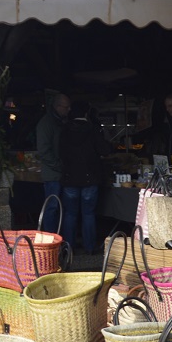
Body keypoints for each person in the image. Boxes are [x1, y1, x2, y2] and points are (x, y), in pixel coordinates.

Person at [58, 101, 112, 254]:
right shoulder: (92, 129)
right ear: (86, 114)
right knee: (88, 214)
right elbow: (104, 149)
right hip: (90, 178)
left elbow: (60, 153)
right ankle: (89, 247)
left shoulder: (65, 130)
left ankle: (69, 246)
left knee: (70, 213)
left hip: (70, 177)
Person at [36, 91, 71, 234]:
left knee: (62, 208)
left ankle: (60, 238)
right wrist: (59, 166)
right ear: (57, 106)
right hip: (53, 174)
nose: (69, 110)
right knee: (52, 207)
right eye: (66, 107)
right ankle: (51, 239)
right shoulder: (46, 124)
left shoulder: (61, 122)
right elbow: (44, 151)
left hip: (61, 172)